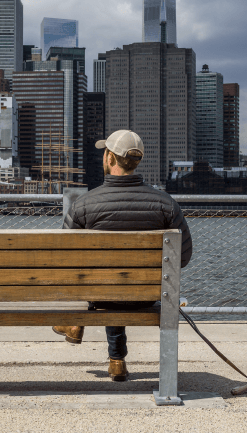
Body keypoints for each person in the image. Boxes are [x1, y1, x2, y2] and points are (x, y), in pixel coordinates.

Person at [53, 129, 192, 381]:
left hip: (101, 294)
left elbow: (64, 259)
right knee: (117, 282)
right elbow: (183, 257)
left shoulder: (84, 204)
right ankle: (116, 361)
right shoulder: (165, 204)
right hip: (147, 296)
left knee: (106, 283)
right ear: (136, 162)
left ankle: (76, 323)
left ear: (110, 159)